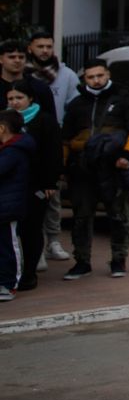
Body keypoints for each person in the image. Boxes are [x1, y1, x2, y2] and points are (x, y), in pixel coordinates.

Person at [61, 58, 129, 280]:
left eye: (100, 75)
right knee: (81, 216)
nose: (96, 80)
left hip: (114, 166)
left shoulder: (125, 99)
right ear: (85, 79)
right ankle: (82, 261)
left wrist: (128, 155)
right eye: (91, 77)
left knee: (118, 214)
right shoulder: (77, 104)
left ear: (108, 74)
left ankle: (118, 259)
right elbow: (65, 139)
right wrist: (62, 167)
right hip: (82, 167)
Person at [7, 81, 60, 292]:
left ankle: (30, 273)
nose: (15, 102)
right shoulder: (6, 120)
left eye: (19, 98)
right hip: (11, 184)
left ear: (30, 98)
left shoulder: (44, 121)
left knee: (31, 229)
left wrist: (50, 181)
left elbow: (53, 153)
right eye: (11, 99)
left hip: (36, 184)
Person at [0, 109, 30, 301]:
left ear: (2, 128)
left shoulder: (14, 151)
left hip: (8, 207)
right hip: (4, 206)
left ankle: (10, 284)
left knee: (8, 246)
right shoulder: (8, 149)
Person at [26, 32, 78, 124]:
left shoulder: (68, 75)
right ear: (29, 49)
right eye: (40, 47)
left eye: (49, 47)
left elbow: (75, 107)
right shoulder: (22, 74)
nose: (45, 50)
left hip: (57, 130)